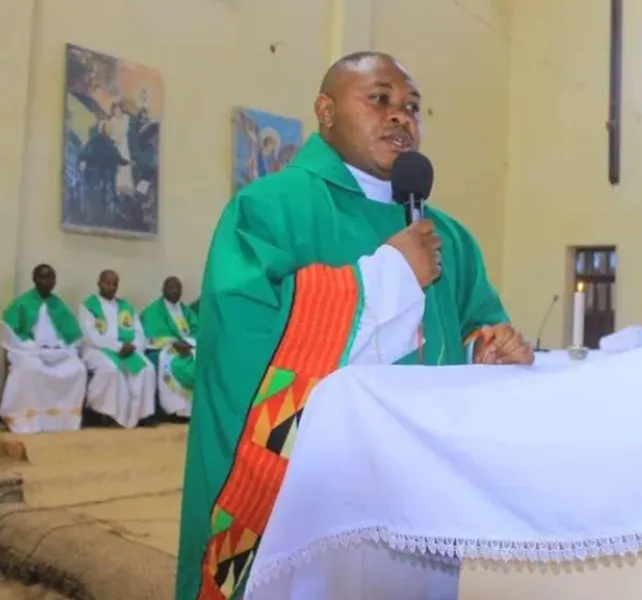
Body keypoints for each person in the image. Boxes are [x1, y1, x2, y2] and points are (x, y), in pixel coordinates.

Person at [175, 51, 534, 600]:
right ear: (325, 111)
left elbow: (471, 331)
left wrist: (489, 352)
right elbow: (244, 329)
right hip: (317, 491)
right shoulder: (269, 208)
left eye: (412, 107)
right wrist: (388, 275)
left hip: (421, 491)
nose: (400, 117)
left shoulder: (451, 238)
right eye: (380, 99)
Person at [0, 264, 87, 433]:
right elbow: (10, 332)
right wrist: (33, 347)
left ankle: (64, 421)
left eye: (51, 278)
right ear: (34, 279)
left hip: (56, 351)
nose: (47, 281)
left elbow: (73, 334)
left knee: (78, 369)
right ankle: (28, 419)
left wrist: (60, 347)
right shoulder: (22, 303)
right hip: (29, 351)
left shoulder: (58, 304)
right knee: (30, 369)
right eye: (43, 277)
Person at [78, 269, 156, 428]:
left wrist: (133, 345)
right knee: (112, 370)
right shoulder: (88, 305)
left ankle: (142, 414)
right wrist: (118, 346)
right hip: (96, 349)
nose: (111, 287)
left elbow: (138, 332)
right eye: (107, 283)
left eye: (114, 284)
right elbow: (89, 335)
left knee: (148, 369)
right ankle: (107, 414)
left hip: (127, 350)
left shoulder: (126, 306)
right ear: (99, 283)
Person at [141, 276, 197, 422]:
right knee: (177, 366)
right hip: (164, 350)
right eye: (171, 288)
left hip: (187, 349)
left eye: (178, 288)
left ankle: (189, 410)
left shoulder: (186, 311)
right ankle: (174, 410)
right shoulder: (154, 311)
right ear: (163, 289)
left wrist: (189, 342)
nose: (175, 291)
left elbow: (198, 330)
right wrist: (174, 344)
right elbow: (152, 335)